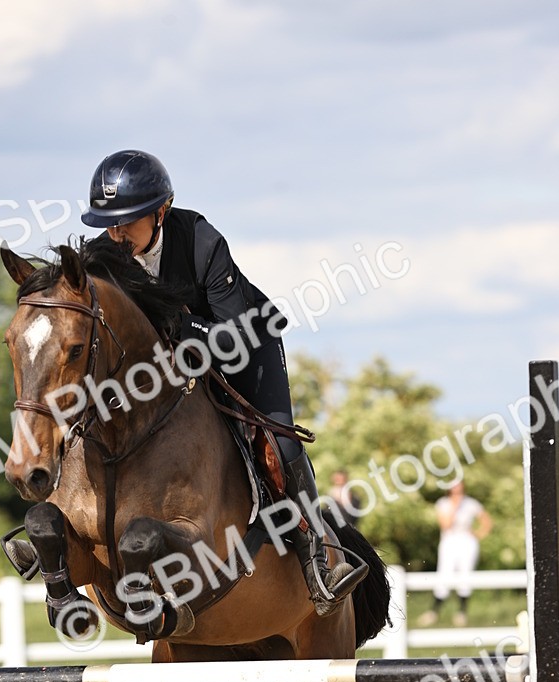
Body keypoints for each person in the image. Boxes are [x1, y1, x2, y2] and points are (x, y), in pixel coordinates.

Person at [80, 149, 364, 618]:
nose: (116, 232)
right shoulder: (106, 255)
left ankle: (318, 556)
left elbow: (232, 337)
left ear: (160, 212)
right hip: (169, 370)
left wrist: (180, 326)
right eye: (108, 223)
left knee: (282, 444)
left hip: (245, 344)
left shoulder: (202, 243)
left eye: (127, 221)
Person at [418, 479, 493, 627]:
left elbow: (487, 521)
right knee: (445, 574)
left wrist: (478, 534)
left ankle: (461, 613)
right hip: (450, 542)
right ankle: (434, 611)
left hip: (467, 542)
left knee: (465, 575)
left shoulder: (471, 503)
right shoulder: (443, 503)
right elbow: (446, 525)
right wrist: (455, 506)